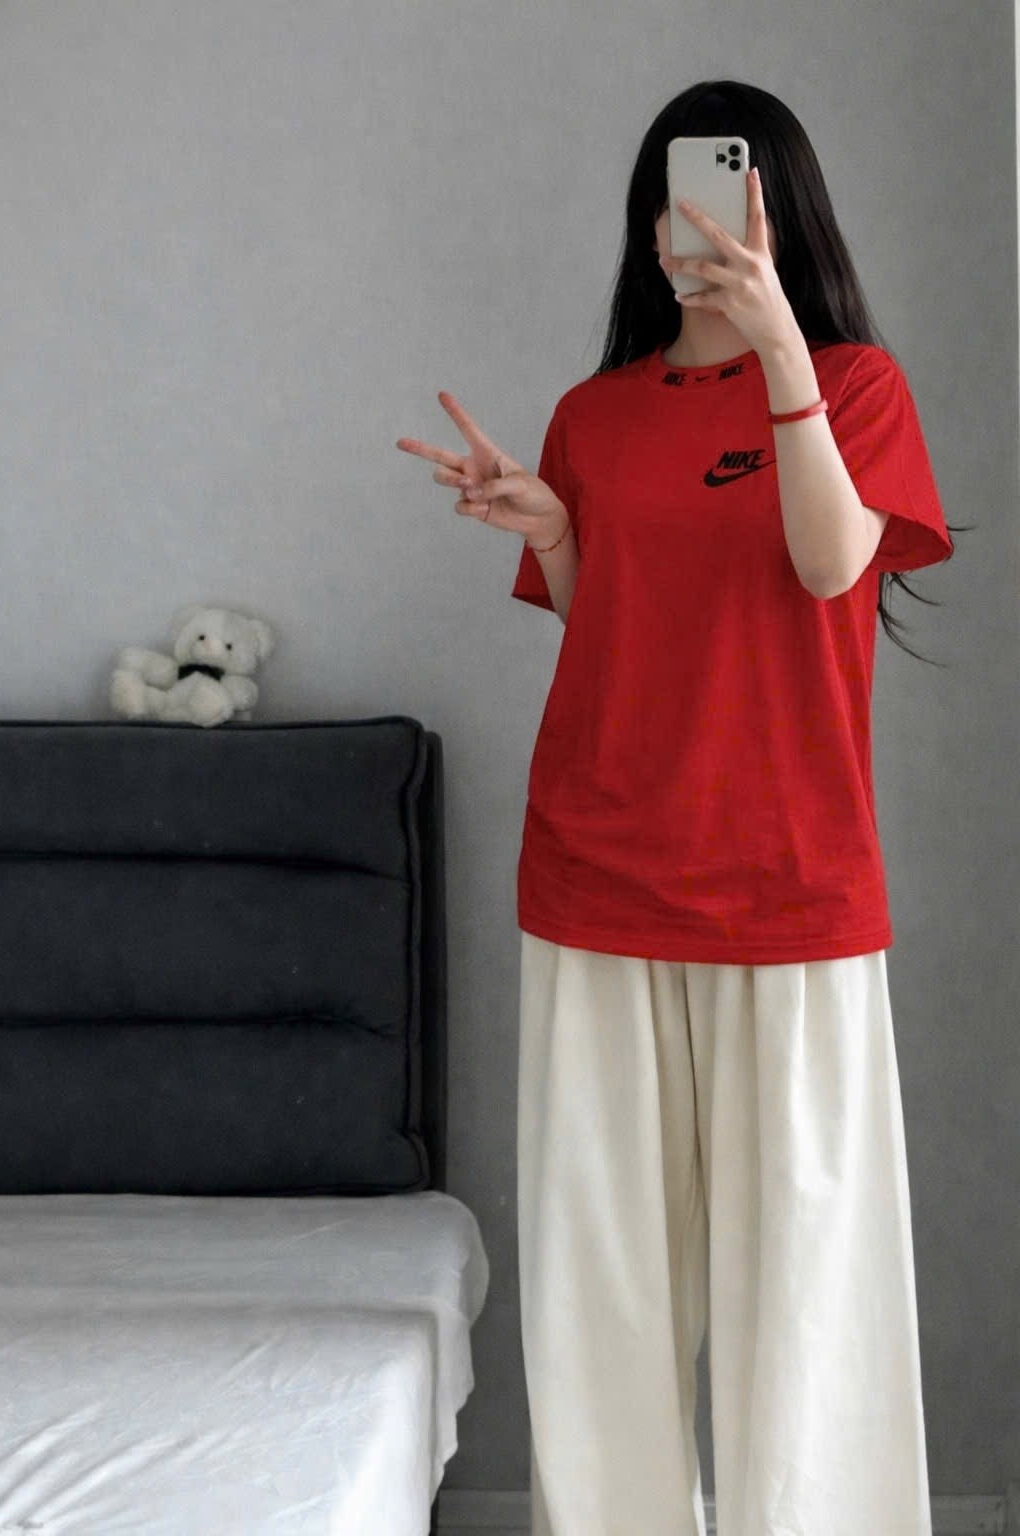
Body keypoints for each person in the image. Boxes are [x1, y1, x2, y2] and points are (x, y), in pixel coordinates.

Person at [397, 78, 961, 1536]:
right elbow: (624, 629)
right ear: (648, 226)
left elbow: (830, 568)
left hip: (791, 884)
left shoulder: (855, 386)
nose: (692, 225)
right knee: (605, 1294)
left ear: (784, 215)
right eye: (671, 198)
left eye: (725, 194)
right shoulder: (591, 415)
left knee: (808, 1295)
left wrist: (781, 356)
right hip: (598, 876)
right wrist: (558, 534)